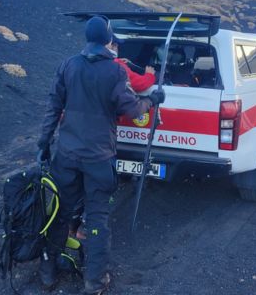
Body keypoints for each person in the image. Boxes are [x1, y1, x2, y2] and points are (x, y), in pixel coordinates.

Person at [37, 16, 165, 294]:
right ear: (109, 40)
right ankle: (94, 282)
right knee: (97, 218)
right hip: (99, 157)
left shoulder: (68, 65)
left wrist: (43, 143)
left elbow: (52, 106)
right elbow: (131, 109)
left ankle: (47, 274)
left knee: (59, 212)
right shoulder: (115, 72)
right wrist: (152, 100)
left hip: (66, 155)